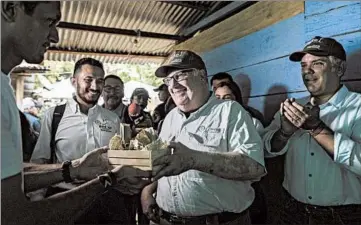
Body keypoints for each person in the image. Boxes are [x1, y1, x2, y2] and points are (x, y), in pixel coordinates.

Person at [1, 2, 150, 225]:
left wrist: (74, 169)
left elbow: (9, 176)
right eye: (49, 21)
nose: (55, 37)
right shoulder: (54, 114)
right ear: (10, 9)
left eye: (100, 81)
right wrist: (103, 179)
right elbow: (12, 215)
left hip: (107, 202)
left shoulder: (112, 118)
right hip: (61, 202)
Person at [141, 50, 266, 225]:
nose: (173, 85)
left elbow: (255, 167)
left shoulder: (230, 111)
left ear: (202, 76)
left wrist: (193, 159)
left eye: (180, 75)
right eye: (169, 80)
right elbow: (165, 167)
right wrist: (148, 192)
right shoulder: (170, 118)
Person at [263, 36, 361, 224]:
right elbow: (265, 150)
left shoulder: (358, 106)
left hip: (343, 217)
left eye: (317, 63)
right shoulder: (292, 107)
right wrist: (284, 134)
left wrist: (317, 129)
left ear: (339, 69)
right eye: (303, 65)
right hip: (292, 210)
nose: (307, 71)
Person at [214, 80, 267, 224]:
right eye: (217, 98)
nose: (221, 102)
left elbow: (256, 164)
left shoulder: (253, 123)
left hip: (243, 192)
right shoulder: (210, 124)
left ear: (236, 99)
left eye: (227, 97)